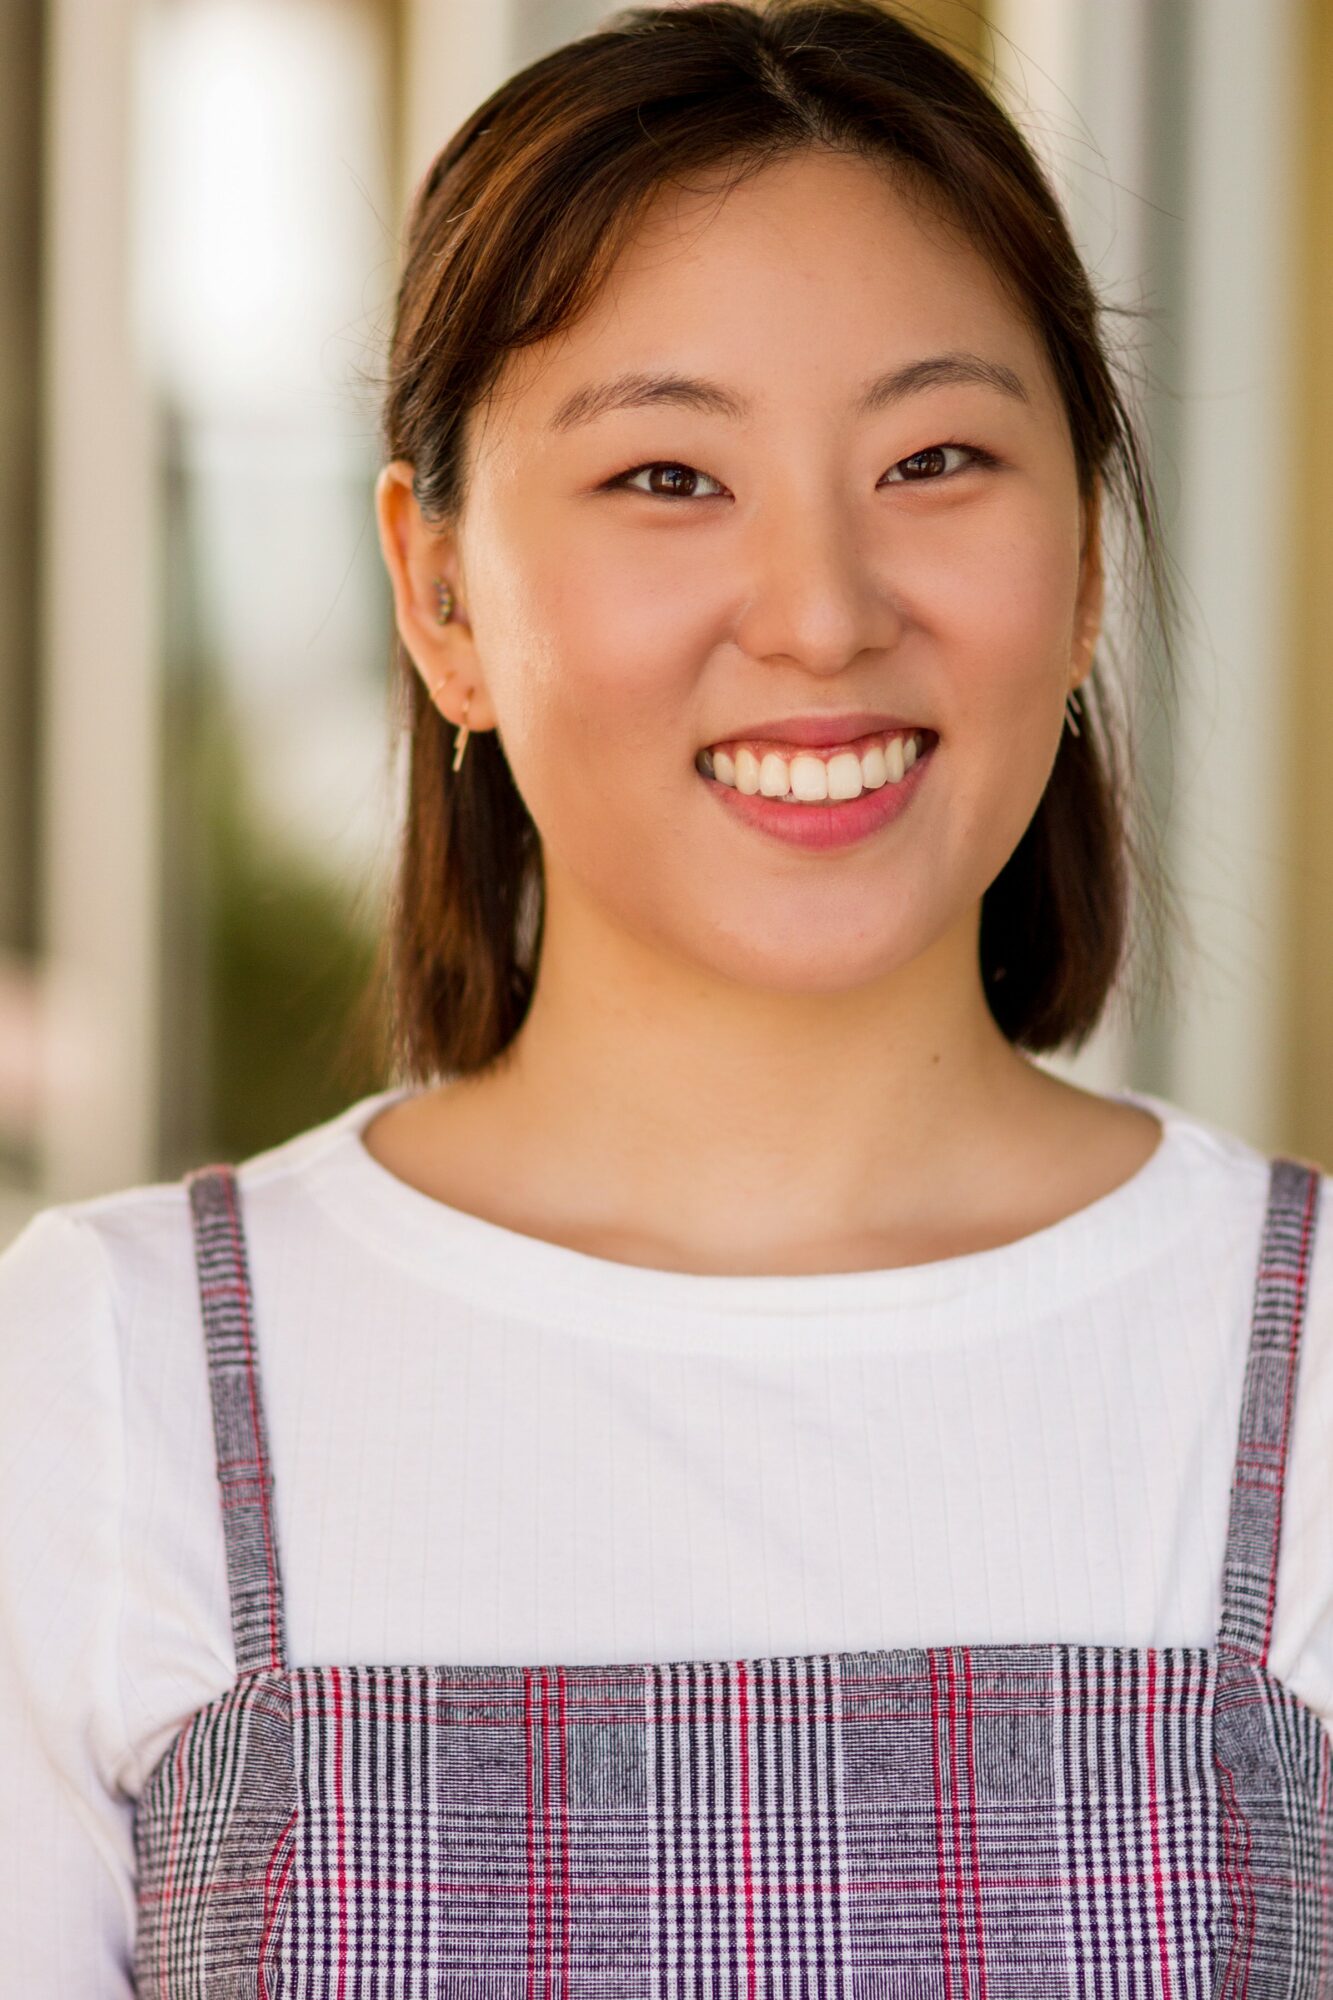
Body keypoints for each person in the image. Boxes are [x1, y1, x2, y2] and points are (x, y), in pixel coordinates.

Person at [2, 1, 1329, 1991]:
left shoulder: (1310, 1377)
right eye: (666, 475)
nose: (820, 611)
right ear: (440, 594)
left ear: (1079, 573)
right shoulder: (109, 1381)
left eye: (935, 459)